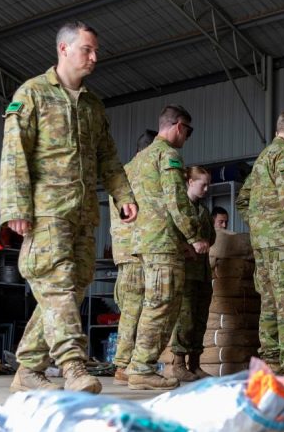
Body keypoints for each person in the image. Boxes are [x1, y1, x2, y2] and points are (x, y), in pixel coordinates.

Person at [0, 21, 137, 394]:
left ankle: (28, 368)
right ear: (63, 49)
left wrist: (123, 195)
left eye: (96, 52)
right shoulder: (33, 94)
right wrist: (16, 207)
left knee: (71, 290)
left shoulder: (93, 105)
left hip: (82, 213)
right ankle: (73, 367)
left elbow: (108, 157)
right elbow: (15, 155)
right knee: (58, 287)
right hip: (46, 212)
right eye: (86, 50)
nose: (94, 58)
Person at [126, 104, 209, 390]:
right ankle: (141, 368)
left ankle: (140, 365)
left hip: (145, 242)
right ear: (178, 126)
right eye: (188, 131)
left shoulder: (138, 161)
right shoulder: (168, 155)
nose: (187, 137)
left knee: (155, 303)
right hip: (162, 243)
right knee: (161, 305)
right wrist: (194, 236)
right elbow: (176, 200)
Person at [236, 109, 284, 376]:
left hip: (263, 247)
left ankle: (271, 365)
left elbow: (242, 199)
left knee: (269, 306)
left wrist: (261, 226)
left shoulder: (262, 159)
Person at [109, 129, 157, 386]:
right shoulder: (140, 172)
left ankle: (127, 364)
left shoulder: (123, 173)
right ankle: (123, 365)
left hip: (125, 251)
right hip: (135, 251)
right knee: (133, 312)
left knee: (132, 310)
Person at [168, 166, 217, 381]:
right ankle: (178, 363)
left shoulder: (204, 211)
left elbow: (212, 236)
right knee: (185, 318)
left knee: (200, 319)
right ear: (190, 182)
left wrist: (205, 242)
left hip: (203, 272)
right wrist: (187, 246)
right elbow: (170, 235)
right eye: (202, 184)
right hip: (186, 272)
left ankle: (195, 364)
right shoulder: (180, 208)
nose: (206, 189)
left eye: (208, 185)